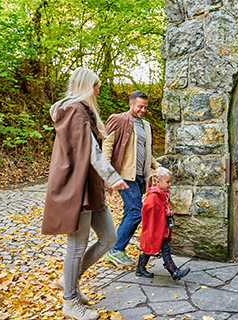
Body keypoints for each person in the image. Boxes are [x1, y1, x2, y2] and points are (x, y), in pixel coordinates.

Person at [42, 67, 129, 320]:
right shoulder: (74, 111)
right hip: (76, 190)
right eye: (95, 85)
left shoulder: (82, 112)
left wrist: (103, 183)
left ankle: (68, 280)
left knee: (109, 238)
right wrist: (113, 178)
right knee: (77, 246)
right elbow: (91, 152)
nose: (98, 90)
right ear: (84, 86)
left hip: (90, 189)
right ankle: (70, 301)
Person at [102, 91, 161, 266]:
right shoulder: (119, 120)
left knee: (130, 211)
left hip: (140, 177)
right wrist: (108, 174)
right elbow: (107, 146)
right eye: (140, 106)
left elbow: (146, 154)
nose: (143, 110)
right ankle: (116, 249)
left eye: (145, 107)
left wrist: (158, 167)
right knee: (136, 210)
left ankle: (115, 248)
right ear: (131, 104)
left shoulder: (146, 126)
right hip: (125, 175)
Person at [135, 167, 191, 281]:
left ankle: (140, 268)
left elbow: (161, 208)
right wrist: (166, 212)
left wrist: (167, 211)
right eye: (167, 182)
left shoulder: (162, 193)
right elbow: (149, 210)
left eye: (170, 181)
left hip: (161, 228)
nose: (170, 184)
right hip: (155, 229)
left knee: (153, 249)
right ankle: (174, 271)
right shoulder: (154, 196)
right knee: (159, 249)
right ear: (158, 182)